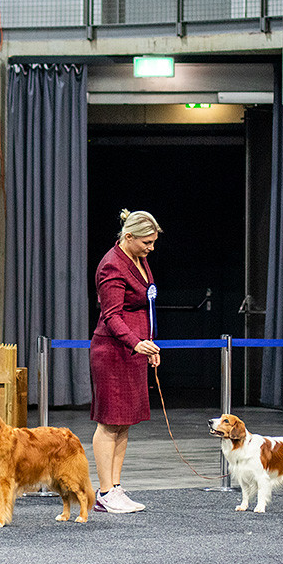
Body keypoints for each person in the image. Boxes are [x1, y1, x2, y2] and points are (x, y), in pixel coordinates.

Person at [89, 209, 162, 514]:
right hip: (113, 352)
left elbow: (144, 306)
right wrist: (136, 342)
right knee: (109, 423)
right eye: (146, 242)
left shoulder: (139, 259)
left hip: (133, 351)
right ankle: (104, 492)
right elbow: (112, 316)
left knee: (124, 423)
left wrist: (149, 344)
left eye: (153, 242)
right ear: (128, 237)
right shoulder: (112, 266)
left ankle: (116, 487)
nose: (151, 248)